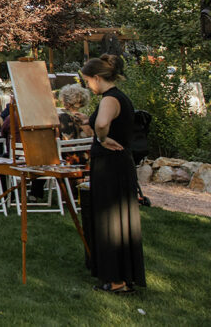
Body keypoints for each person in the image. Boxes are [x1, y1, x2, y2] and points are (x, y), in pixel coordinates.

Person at [80, 55, 145, 294]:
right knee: (120, 219)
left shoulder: (109, 99)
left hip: (109, 166)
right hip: (119, 165)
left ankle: (117, 279)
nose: (88, 85)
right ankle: (124, 276)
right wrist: (87, 121)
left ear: (97, 78)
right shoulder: (120, 97)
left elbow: (102, 123)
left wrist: (102, 137)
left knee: (110, 219)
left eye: (87, 80)